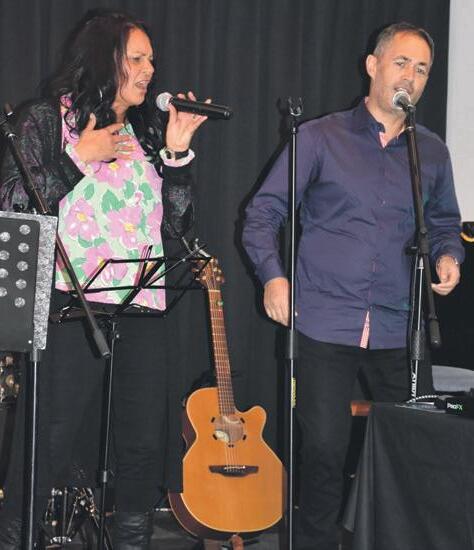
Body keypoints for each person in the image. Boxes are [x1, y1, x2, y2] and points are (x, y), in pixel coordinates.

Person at [242, 22, 464, 550]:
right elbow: (263, 213)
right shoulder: (321, 137)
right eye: (401, 62)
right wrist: (274, 277)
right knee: (323, 452)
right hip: (324, 321)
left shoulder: (431, 152)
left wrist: (449, 255)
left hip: (399, 326)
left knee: (413, 450)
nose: (411, 76)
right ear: (372, 65)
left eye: (422, 69)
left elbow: (444, 223)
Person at [0, 9, 207, 549]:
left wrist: (177, 157)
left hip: (141, 306)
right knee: (48, 439)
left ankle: (133, 540)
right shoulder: (48, 119)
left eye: (151, 60)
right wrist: (78, 158)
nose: (149, 69)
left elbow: (177, 228)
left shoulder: (145, 131)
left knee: (142, 444)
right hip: (70, 308)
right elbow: (13, 204)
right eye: (136, 58)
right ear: (102, 59)